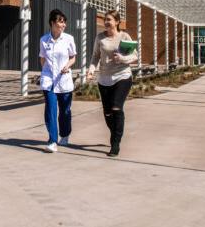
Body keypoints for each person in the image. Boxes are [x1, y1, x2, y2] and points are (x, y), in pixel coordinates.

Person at [86, 10, 138, 157]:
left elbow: (135, 55)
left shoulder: (124, 36)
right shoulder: (100, 37)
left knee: (116, 107)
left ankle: (115, 143)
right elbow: (95, 56)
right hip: (104, 79)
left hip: (122, 76)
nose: (106, 22)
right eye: (105, 19)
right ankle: (115, 133)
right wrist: (91, 70)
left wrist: (122, 59)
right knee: (108, 113)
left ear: (117, 22)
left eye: (109, 19)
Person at [39, 9, 77, 153]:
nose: (63, 25)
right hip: (49, 80)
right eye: (61, 22)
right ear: (52, 23)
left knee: (65, 111)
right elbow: (42, 58)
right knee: (50, 109)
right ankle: (52, 141)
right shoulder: (43, 40)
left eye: (64, 22)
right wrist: (47, 72)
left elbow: (73, 57)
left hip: (64, 79)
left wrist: (67, 66)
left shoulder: (69, 39)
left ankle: (65, 134)